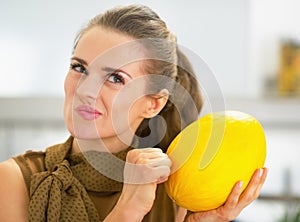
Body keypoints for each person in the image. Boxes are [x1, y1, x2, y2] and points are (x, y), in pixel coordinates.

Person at [0, 4, 267, 222]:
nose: (86, 90)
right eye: (79, 68)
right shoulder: (14, 180)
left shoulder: (175, 189)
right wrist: (127, 211)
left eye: (116, 78)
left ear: (154, 103)